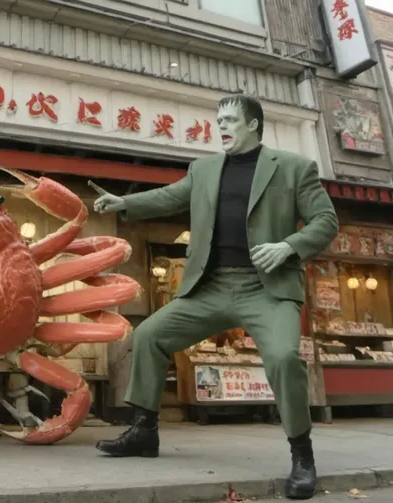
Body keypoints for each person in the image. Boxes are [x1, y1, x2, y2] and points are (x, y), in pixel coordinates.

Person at [91, 93, 338, 501]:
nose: (219, 126)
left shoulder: (294, 168)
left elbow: (326, 220)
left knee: (282, 357)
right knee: (150, 334)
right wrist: (125, 203)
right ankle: (144, 431)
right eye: (217, 120)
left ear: (254, 124)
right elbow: (170, 196)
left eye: (229, 120)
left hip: (267, 289)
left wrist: (290, 246)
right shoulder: (203, 169)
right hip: (211, 286)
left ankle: (302, 455)